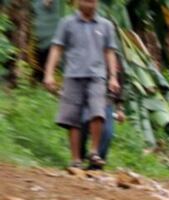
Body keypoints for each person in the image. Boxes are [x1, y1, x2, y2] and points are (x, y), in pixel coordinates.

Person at [44, 0, 120, 170]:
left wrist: (113, 77)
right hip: (73, 74)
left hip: (97, 76)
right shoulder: (67, 23)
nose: (89, 4)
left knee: (97, 112)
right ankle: (75, 159)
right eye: (85, 0)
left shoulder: (106, 25)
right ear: (77, 2)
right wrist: (49, 73)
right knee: (73, 119)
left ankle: (94, 152)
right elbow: (57, 48)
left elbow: (110, 51)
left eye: (92, 1)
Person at [80, 54, 126, 162]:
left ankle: (96, 163)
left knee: (107, 132)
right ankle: (80, 157)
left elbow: (120, 84)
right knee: (83, 124)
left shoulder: (116, 58)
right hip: (87, 98)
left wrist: (120, 108)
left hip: (106, 102)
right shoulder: (89, 52)